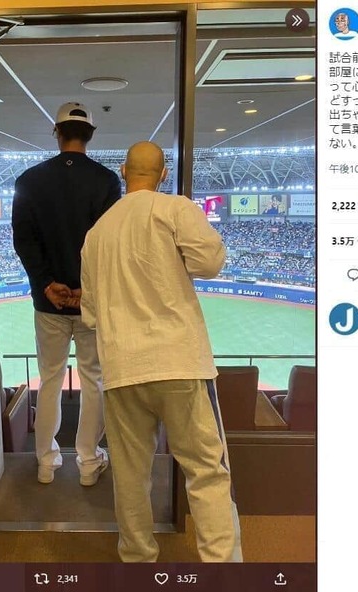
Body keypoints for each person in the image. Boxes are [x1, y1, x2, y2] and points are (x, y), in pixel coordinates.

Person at [80, 141, 242, 562]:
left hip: (122, 368)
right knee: (206, 472)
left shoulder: (96, 233)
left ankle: (137, 562)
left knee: (130, 477)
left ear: (123, 171)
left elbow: (91, 314)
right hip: (180, 362)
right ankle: (223, 568)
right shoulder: (176, 209)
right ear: (164, 173)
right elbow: (210, 263)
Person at [12, 102, 121, 486]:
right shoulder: (107, 181)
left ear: (56, 132)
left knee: (50, 380)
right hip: (90, 302)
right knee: (94, 381)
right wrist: (86, 288)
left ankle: (46, 462)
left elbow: (24, 240)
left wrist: (46, 283)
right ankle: (89, 463)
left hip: (48, 303)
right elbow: (108, 243)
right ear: (90, 135)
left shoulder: (29, 180)